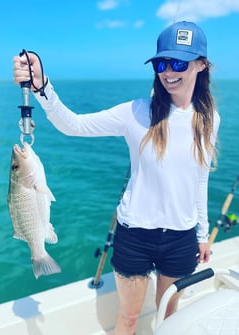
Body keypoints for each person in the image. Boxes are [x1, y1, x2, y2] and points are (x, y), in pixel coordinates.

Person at [13, 21, 220, 335]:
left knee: (169, 315)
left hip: (181, 238)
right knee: (128, 320)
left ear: (201, 65)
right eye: (161, 63)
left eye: (178, 63)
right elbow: (74, 125)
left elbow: (199, 179)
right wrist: (42, 88)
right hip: (135, 237)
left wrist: (202, 232)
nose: (168, 72)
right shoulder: (136, 112)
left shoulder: (209, 118)